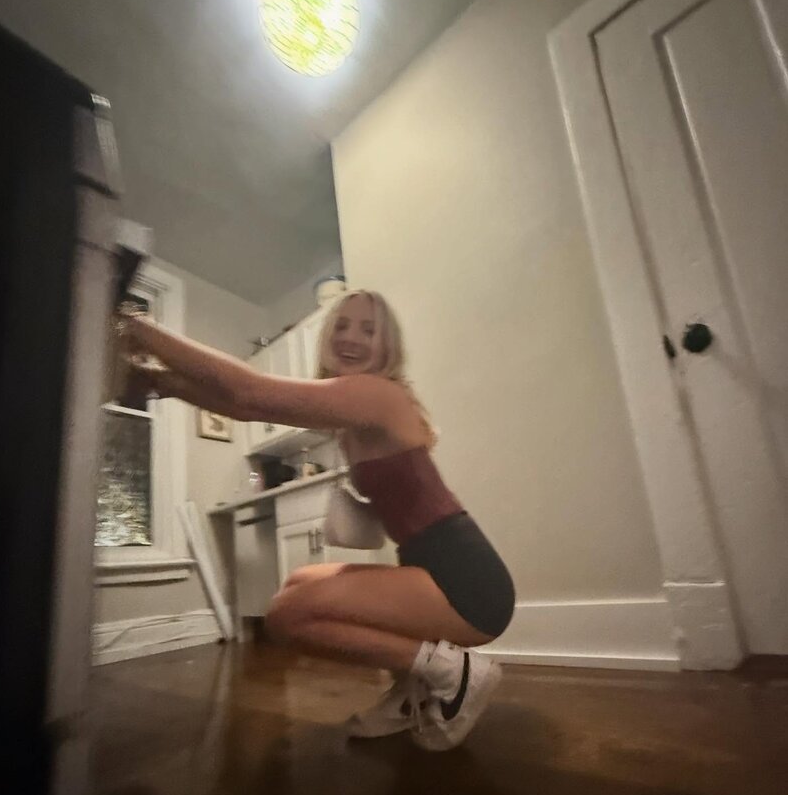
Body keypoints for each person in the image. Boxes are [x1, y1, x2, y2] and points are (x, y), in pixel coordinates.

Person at [115, 290, 515, 750]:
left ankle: (452, 672)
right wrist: (164, 383)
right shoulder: (352, 416)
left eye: (368, 330)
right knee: (298, 584)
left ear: (387, 346)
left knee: (287, 616)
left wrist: (138, 327)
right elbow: (245, 407)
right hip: (429, 566)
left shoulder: (378, 395)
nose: (351, 337)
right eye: (341, 325)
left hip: (467, 582)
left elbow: (250, 392)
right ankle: (412, 690)